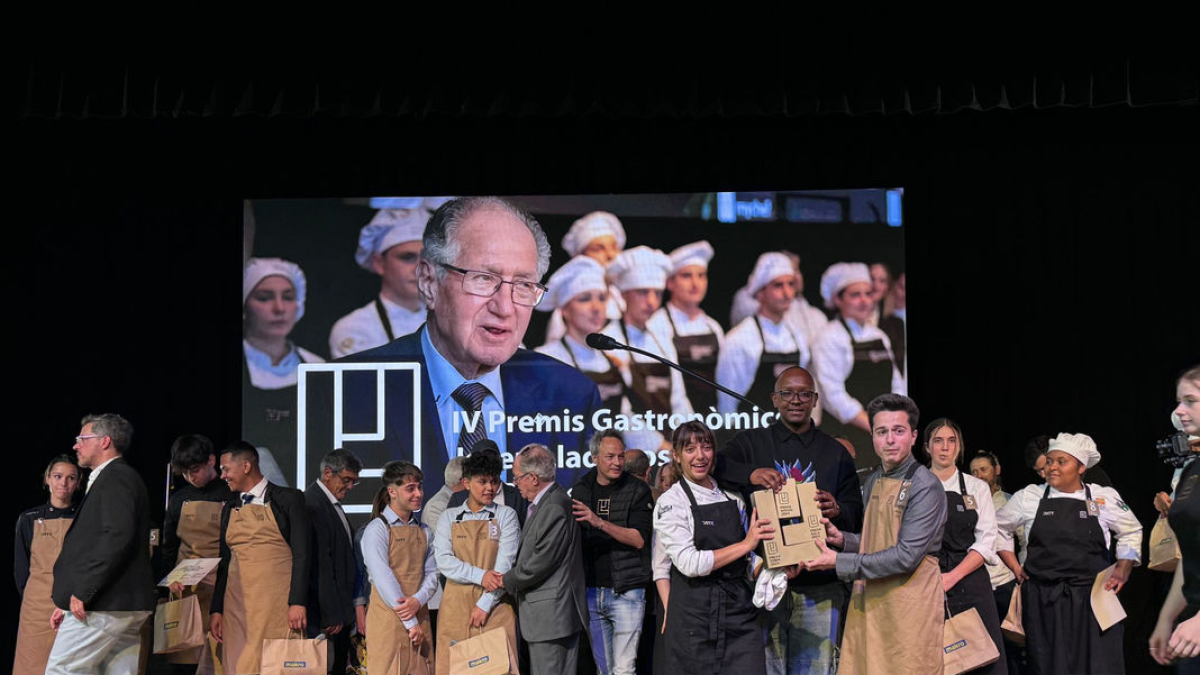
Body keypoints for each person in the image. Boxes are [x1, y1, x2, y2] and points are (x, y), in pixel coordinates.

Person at [336, 196, 602, 496]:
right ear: (428, 282)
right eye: (484, 279)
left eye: (524, 285)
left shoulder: (571, 395)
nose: (505, 307)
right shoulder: (348, 390)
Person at [713, 366, 863, 675]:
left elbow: (856, 513)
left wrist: (837, 509)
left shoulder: (835, 453)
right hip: (768, 580)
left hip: (821, 586)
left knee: (816, 668)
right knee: (769, 669)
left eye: (804, 394)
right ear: (774, 399)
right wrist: (750, 473)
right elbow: (717, 466)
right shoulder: (750, 443)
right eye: (788, 393)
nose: (796, 400)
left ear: (815, 400)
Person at [803, 394, 948, 675]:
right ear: (873, 437)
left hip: (909, 608)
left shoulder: (925, 486)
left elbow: (905, 556)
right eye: (882, 432)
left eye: (898, 431)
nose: (890, 439)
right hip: (871, 603)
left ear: (914, 436)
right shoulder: (874, 480)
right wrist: (843, 540)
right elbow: (878, 540)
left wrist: (837, 562)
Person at [995, 432, 1142, 675]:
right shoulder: (1029, 497)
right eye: (1050, 461)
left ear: (1081, 467)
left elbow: (1131, 530)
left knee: (1099, 666)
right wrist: (1014, 566)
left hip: (1095, 598)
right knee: (1049, 667)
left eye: (1061, 461)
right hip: (1044, 601)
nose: (1052, 467)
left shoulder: (1102, 496)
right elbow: (998, 528)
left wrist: (1124, 567)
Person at [653, 420, 775, 675]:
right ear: (675, 455)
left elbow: (747, 560)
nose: (700, 456)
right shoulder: (670, 502)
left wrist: (772, 572)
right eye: (690, 449)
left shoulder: (733, 499)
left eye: (706, 447)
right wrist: (745, 545)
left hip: (739, 616)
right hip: (693, 621)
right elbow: (689, 563)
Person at [47, 414, 156, 675]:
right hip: (122, 603)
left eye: (82, 439)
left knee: (62, 669)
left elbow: (116, 535)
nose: (76, 445)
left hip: (106, 602)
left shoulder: (116, 477)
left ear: (104, 441)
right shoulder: (120, 477)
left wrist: (84, 590)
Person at [210, 441, 311, 675]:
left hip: (276, 605)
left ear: (246, 466)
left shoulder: (288, 499)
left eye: (226, 469)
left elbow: (303, 554)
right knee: (239, 665)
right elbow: (224, 562)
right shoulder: (230, 508)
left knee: (276, 666)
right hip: (237, 607)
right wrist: (217, 609)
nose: (222, 475)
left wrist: (297, 601)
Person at [535, 256, 650, 449]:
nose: (597, 308)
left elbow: (625, 418)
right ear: (565, 310)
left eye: (602, 298)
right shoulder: (546, 359)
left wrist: (662, 448)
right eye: (585, 299)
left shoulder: (613, 357)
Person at [494, 444, 588, 675]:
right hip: (548, 617)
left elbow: (541, 561)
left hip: (552, 618)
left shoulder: (554, 506)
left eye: (516, 478)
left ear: (533, 478)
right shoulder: (547, 503)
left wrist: (505, 580)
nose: (515, 485)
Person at [923, 419, 1007, 675]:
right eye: (938, 441)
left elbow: (987, 538)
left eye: (952, 441)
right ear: (927, 447)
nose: (945, 448)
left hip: (970, 580)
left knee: (983, 657)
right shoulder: (914, 485)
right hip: (926, 580)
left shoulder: (976, 487)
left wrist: (953, 576)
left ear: (959, 447)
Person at [570, 430, 654, 675]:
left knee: (624, 669)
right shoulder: (581, 489)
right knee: (604, 669)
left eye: (620, 456)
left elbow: (639, 539)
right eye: (610, 457)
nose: (617, 462)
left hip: (627, 591)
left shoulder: (637, 490)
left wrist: (599, 522)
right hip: (591, 591)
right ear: (595, 457)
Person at [434, 450, 519, 675]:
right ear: (466, 483)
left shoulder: (506, 515)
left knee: (499, 668)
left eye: (493, 481)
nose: (489, 488)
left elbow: (505, 565)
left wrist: (485, 603)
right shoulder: (449, 517)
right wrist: (480, 575)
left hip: (496, 605)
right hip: (455, 608)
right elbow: (444, 561)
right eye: (482, 482)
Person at [811, 262, 905, 466]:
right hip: (845, 437)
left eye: (868, 294)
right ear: (838, 299)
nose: (864, 301)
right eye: (855, 295)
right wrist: (874, 426)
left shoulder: (879, 335)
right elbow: (834, 396)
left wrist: (896, 422)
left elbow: (897, 383)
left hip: (883, 435)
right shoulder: (828, 337)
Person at [242, 256, 324, 487]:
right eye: (264, 298)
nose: (279, 308)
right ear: (246, 304)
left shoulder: (317, 366)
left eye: (287, 297)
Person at [159, 434, 237, 674]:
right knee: (185, 662)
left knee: (220, 660)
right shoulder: (178, 499)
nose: (191, 477)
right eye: (185, 473)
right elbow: (169, 547)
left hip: (223, 589)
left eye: (195, 470)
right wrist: (170, 578)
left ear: (211, 461)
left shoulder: (231, 493)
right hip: (187, 593)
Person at [601, 245, 692, 449]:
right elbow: (622, 412)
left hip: (671, 449)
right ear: (623, 294)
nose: (651, 301)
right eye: (643, 292)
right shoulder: (609, 340)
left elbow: (679, 399)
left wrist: (691, 441)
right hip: (631, 452)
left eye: (658, 294)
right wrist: (660, 447)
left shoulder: (661, 338)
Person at [362, 460, 439, 675]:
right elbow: (383, 577)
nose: (418, 493)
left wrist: (418, 600)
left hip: (419, 617)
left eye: (419, 487)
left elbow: (433, 573)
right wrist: (410, 621)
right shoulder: (377, 529)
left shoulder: (424, 531)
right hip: (389, 621)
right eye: (410, 488)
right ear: (392, 492)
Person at [329, 204, 433, 358]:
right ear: (379, 263)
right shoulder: (355, 328)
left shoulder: (446, 323)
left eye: (426, 258)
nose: (419, 268)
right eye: (407, 257)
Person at [717, 252, 811, 414]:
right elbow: (727, 407)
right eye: (778, 285)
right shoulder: (739, 340)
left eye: (790, 284)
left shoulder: (797, 337)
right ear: (760, 293)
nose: (787, 293)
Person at [1151, 365, 1200, 671]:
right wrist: (1166, 618)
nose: (1179, 410)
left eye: (1190, 400)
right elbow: (1192, 555)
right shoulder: (1191, 471)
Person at [12, 454, 79, 675]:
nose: (63, 483)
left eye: (71, 478)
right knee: (32, 665)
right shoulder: (29, 518)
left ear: (78, 483)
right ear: (47, 479)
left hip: (73, 605)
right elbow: (21, 568)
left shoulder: (83, 517)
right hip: (36, 606)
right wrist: (32, 598)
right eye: (58, 476)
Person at [647, 240, 726, 414]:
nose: (695, 283)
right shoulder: (657, 324)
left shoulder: (714, 327)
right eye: (686, 276)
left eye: (701, 275)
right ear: (670, 283)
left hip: (713, 421)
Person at [304, 447, 363, 673]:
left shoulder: (328, 503)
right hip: (327, 616)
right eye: (346, 480)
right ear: (328, 473)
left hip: (340, 611)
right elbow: (320, 565)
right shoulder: (313, 504)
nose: (350, 487)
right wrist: (331, 613)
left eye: (353, 482)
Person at [970, 450, 1023, 675]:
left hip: (1005, 585)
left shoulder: (1011, 502)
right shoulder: (967, 503)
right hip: (977, 585)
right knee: (981, 649)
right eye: (973, 472)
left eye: (984, 469)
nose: (979, 475)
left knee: (1012, 648)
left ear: (996, 470)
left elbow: (1027, 540)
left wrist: (1021, 572)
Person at [542, 210, 628, 344]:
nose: (610, 255)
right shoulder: (567, 312)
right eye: (599, 249)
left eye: (614, 247)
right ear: (579, 255)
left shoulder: (619, 297)